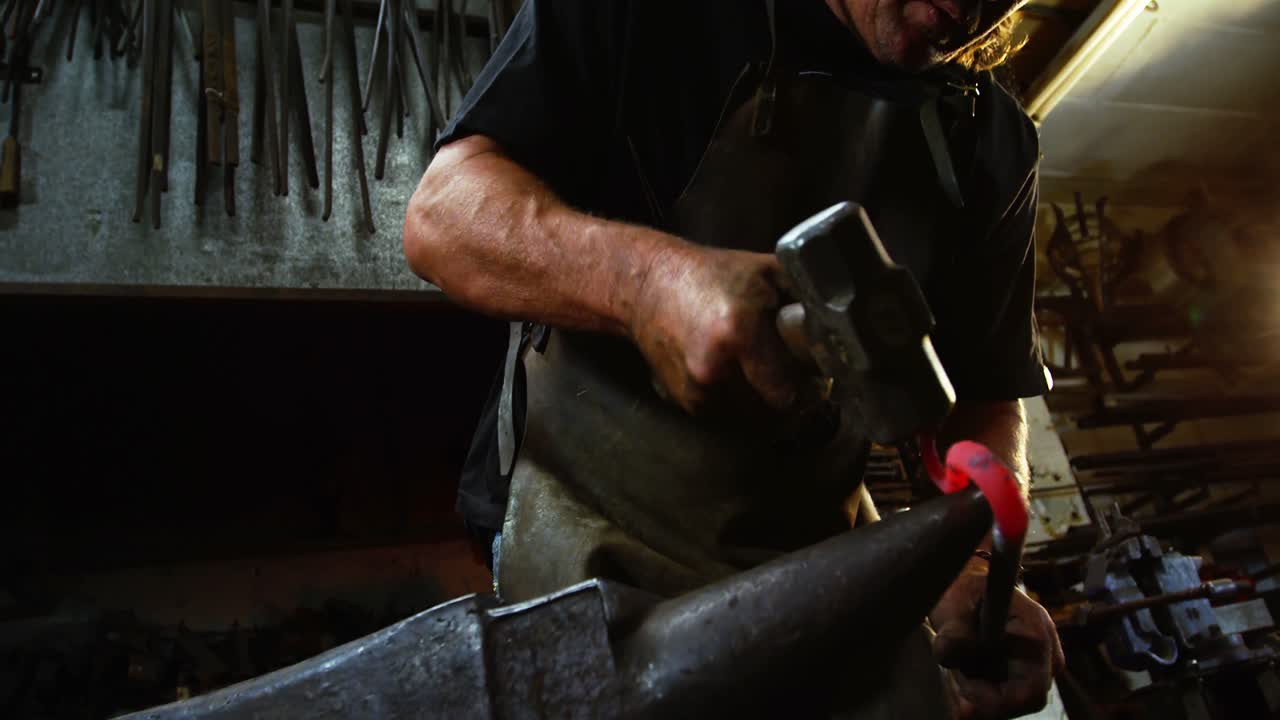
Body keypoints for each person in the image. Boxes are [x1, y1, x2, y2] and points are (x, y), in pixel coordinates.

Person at [404, 1, 1065, 716]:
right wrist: (646, 284)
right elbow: (443, 216)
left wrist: (968, 570)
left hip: (817, 559)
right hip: (587, 522)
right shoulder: (654, 18)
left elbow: (986, 401)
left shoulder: (989, 141)